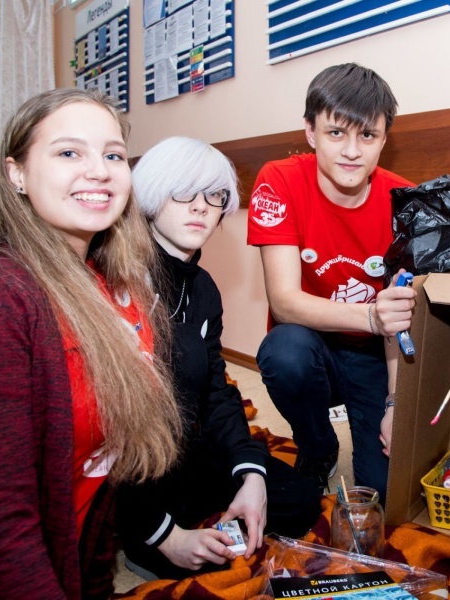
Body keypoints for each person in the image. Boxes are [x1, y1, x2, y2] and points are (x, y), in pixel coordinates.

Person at [0, 88, 182, 598]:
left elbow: (100, 482)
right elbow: (0, 528)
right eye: (69, 152)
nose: (100, 171)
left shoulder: (106, 283)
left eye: (113, 155)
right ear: (16, 173)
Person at [118, 136, 321, 580]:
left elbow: (216, 390)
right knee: (189, 556)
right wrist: (164, 535)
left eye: (214, 195)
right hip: (130, 460)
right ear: (150, 195)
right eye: (183, 191)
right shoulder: (120, 277)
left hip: (185, 447)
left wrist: (250, 473)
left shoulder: (204, 288)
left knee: (299, 497)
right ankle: (143, 531)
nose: (201, 207)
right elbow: (106, 424)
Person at [247, 63, 416, 498]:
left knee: (382, 491)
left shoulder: (405, 201)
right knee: (284, 352)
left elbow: (401, 319)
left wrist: (395, 404)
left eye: (368, 135)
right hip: (311, 344)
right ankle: (317, 444)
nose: (352, 151)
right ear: (310, 132)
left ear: (384, 139)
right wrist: (371, 316)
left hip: (375, 353)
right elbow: (284, 302)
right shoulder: (278, 180)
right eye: (336, 133)